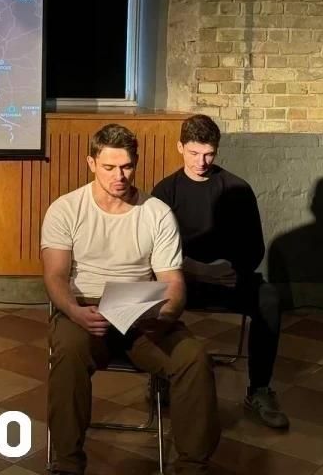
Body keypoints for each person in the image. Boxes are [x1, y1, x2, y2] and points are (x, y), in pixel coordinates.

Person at [42, 123, 220, 475]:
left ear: (135, 164)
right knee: (68, 352)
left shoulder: (157, 212)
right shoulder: (66, 209)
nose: (119, 176)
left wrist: (165, 314)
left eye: (126, 167)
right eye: (109, 167)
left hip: (141, 310)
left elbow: (172, 282)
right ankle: (67, 462)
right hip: (85, 306)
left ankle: (192, 466)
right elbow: (55, 276)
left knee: (193, 358)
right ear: (91, 163)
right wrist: (75, 312)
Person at [152, 114, 288, 429]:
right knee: (152, 295)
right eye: (194, 153)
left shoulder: (238, 188)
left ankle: (259, 389)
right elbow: (153, 250)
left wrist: (226, 270)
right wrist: (196, 270)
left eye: (208, 154)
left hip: (228, 277)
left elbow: (254, 248)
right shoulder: (165, 191)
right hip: (181, 278)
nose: (201, 162)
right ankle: (161, 377)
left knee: (269, 299)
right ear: (180, 147)